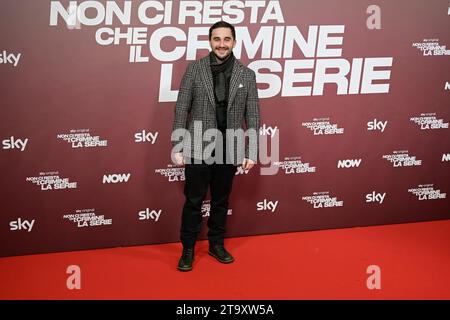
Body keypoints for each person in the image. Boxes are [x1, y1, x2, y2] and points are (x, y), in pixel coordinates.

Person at [171, 21, 260, 271]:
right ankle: (187, 248)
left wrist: (251, 150)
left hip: (229, 148)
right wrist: (178, 145)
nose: (222, 44)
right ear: (210, 41)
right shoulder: (194, 70)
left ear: (234, 41)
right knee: (193, 200)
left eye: (227, 39)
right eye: (217, 39)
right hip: (198, 146)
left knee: (221, 200)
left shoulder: (246, 74)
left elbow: (252, 115)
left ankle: (216, 244)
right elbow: (182, 108)